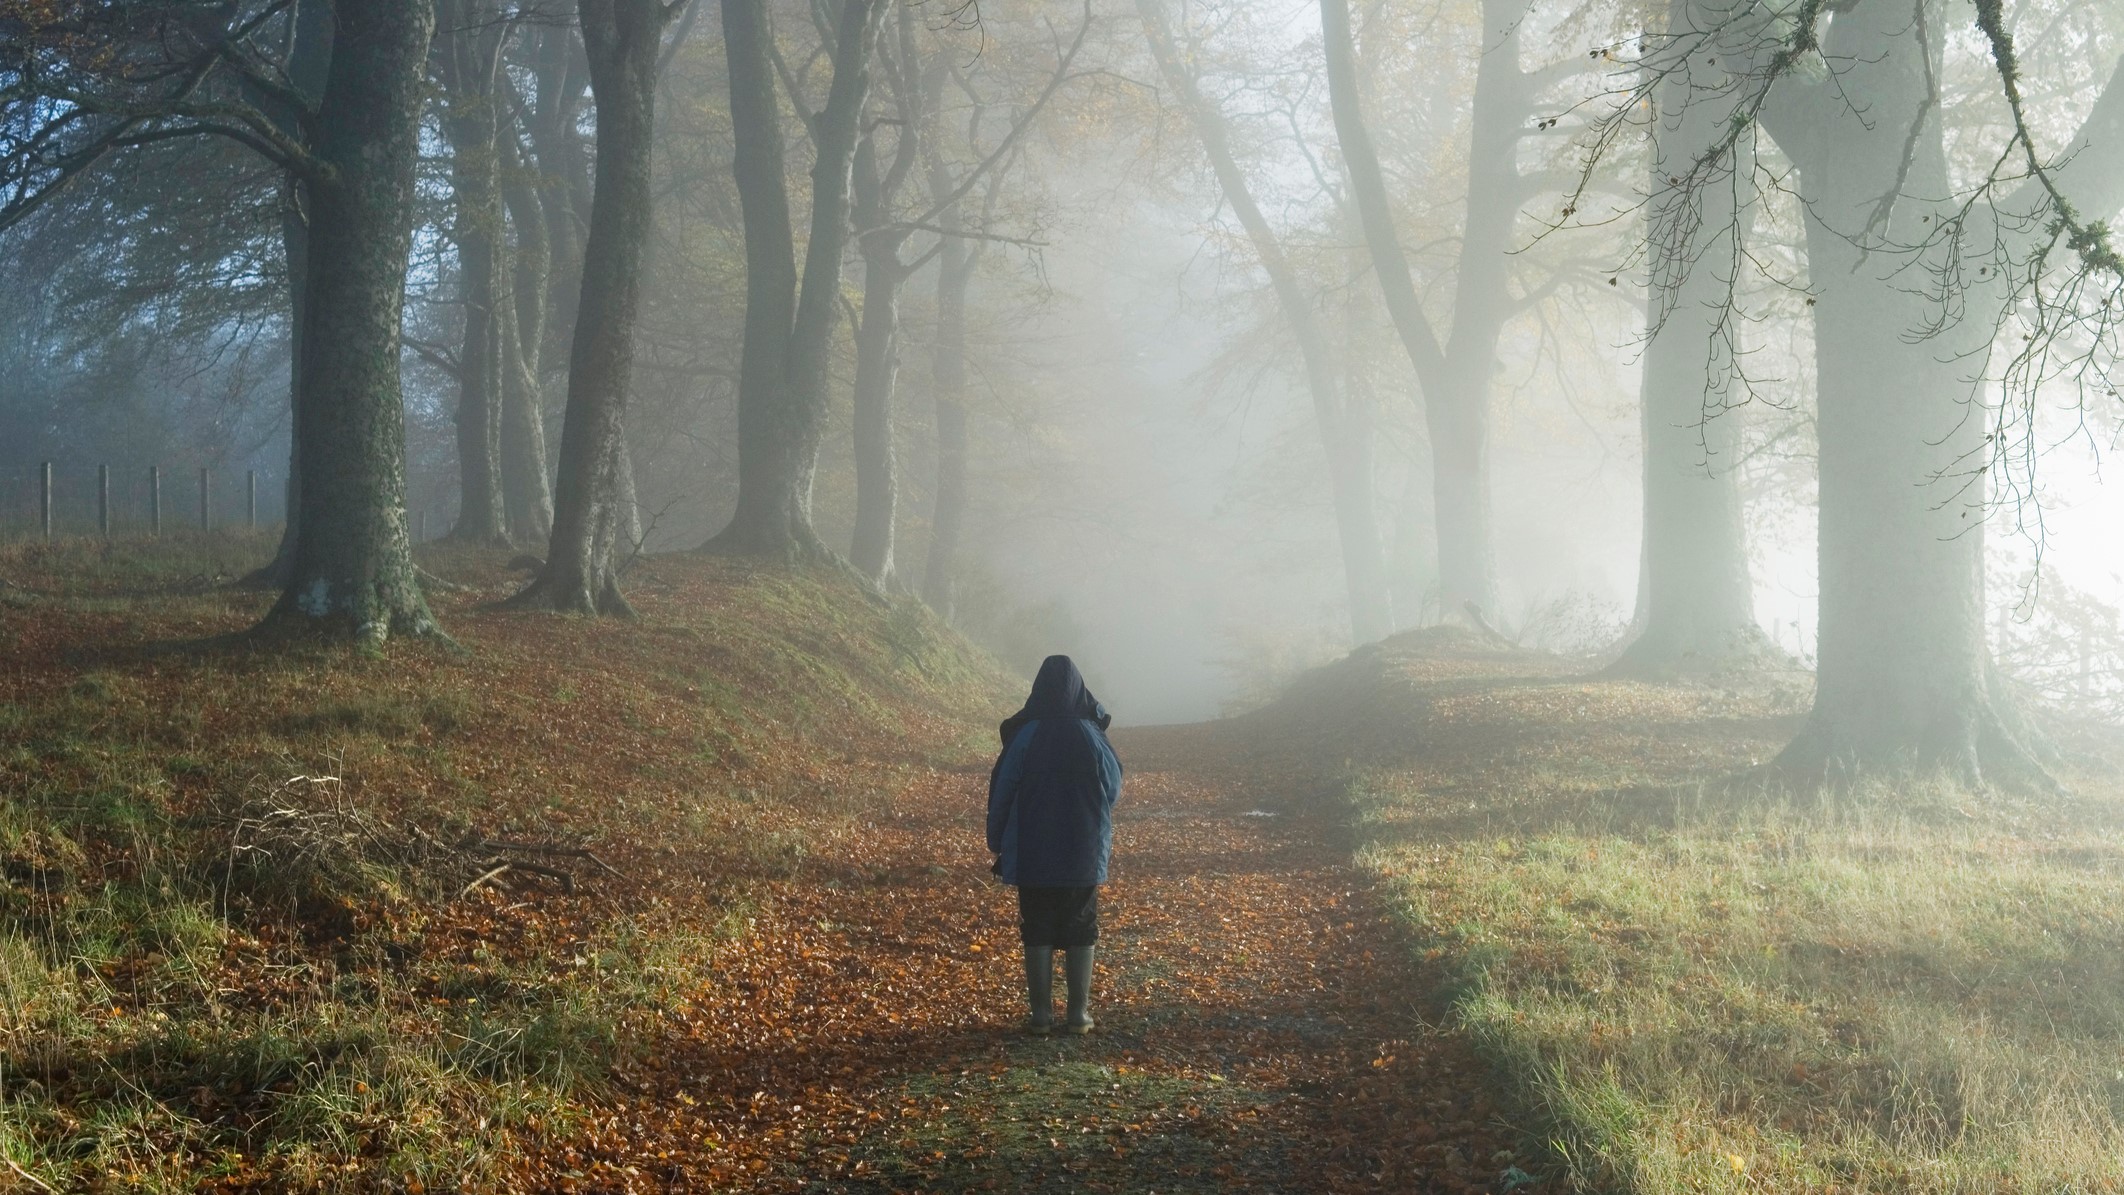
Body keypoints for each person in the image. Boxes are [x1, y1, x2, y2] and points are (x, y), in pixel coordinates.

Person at [986, 655, 1124, 1036]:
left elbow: (1002, 790)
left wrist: (995, 840)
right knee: (1082, 924)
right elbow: (1113, 788)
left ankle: (1041, 1017)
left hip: (1033, 851)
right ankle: (1078, 1015)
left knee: (1038, 926)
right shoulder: (1091, 735)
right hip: (1082, 850)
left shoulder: (1026, 734)